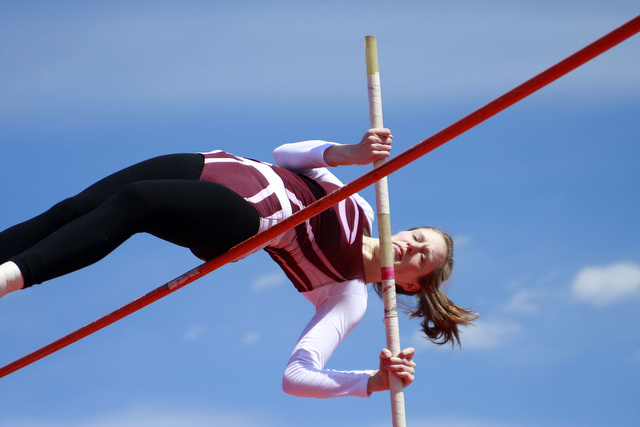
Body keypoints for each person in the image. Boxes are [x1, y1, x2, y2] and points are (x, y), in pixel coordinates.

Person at [0, 128, 477, 398]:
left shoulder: (346, 293)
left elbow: (297, 378)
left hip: (246, 220)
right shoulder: (365, 209)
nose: (410, 248)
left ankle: (7, 280)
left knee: (138, 202)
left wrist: (369, 382)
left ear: (414, 285)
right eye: (416, 238)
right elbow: (286, 154)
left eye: (421, 258)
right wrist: (348, 153)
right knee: (71, 211)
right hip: (208, 165)